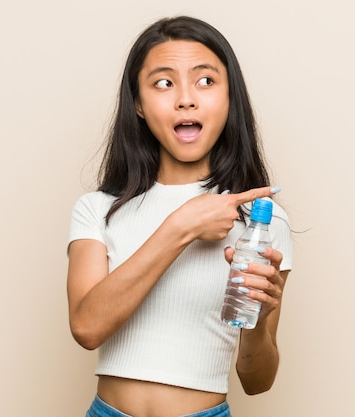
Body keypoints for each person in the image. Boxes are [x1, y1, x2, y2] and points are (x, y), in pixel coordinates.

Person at [66, 16, 293, 417]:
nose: (186, 99)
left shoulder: (262, 220)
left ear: (229, 98)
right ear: (137, 103)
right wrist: (181, 226)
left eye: (205, 81)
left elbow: (257, 382)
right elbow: (86, 328)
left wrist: (259, 320)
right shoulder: (98, 208)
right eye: (164, 83)